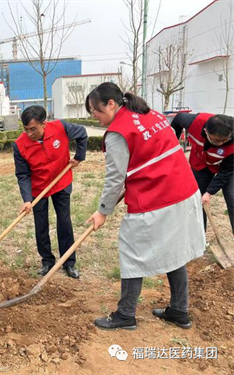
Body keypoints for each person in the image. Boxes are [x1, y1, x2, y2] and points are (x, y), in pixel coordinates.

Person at [85, 82, 205, 331]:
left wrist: (102, 212)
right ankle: (179, 311)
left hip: (158, 197)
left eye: (94, 110)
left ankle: (126, 314)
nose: (93, 116)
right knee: (176, 251)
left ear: (110, 104)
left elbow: (115, 179)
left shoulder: (118, 132)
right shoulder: (150, 115)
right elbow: (150, 156)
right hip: (185, 189)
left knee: (132, 252)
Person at [13, 105, 88, 278]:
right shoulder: (20, 145)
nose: (29, 134)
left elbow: (82, 134)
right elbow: (23, 174)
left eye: (33, 129)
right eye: (26, 130)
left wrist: (79, 157)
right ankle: (47, 261)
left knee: (64, 221)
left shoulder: (61, 127)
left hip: (61, 182)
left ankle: (68, 262)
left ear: (44, 123)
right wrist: (26, 199)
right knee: (41, 225)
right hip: (38, 188)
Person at [171, 113, 234, 233]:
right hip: (201, 163)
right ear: (206, 131)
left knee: (232, 200)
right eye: (216, 140)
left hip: (228, 167)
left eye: (224, 140)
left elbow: (226, 172)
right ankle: (200, 237)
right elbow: (178, 119)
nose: (220, 143)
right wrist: (173, 143)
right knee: (197, 200)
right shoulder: (193, 122)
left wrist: (209, 192)